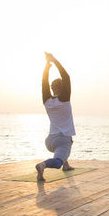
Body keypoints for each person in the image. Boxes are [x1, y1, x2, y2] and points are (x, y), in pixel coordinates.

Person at [36, 52, 75, 181]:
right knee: (58, 160)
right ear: (63, 88)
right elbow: (66, 76)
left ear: (52, 88)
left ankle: (66, 164)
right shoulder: (64, 99)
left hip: (49, 141)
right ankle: (43, 165)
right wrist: (54, 60)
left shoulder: (47, 100)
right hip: (62, 140)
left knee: (64, 147)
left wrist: (47, 66)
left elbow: (44, 82)